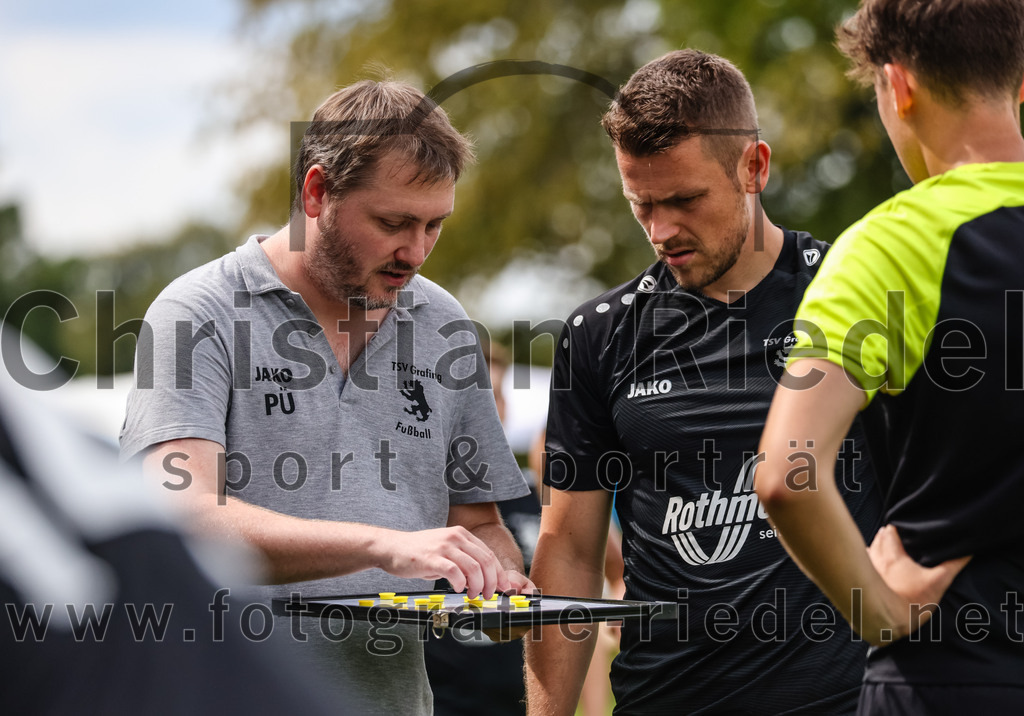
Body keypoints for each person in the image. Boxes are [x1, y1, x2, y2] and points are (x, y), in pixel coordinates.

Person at [119, 80, 533, 716]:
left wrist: (498, 582)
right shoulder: (197, 313)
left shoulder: (445, 324)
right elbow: (185, 518)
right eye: (393, 222)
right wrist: (384, 545)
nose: (415, 253)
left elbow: (476, 524)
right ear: (316, 193)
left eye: (434, 225)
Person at [524, 50, 882, 715]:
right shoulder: (600, 335)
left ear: (754, 167)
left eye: (685, 200)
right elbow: (570, 553)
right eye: (643, 205)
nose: (661, 231)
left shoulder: (851, 295)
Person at [755, 0, 1024, 712]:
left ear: (897, 85)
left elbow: (787, 475)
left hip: (952, 676)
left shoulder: (889, 246)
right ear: (1020, 83)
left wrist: (876, 612)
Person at [424, 339, 542, 716]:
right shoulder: (413, 498)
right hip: (433, 703)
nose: (486, 410)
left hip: (515, 702)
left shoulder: (539, 498)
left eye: (495, 396)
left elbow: (598, 567)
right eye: (477, 398)